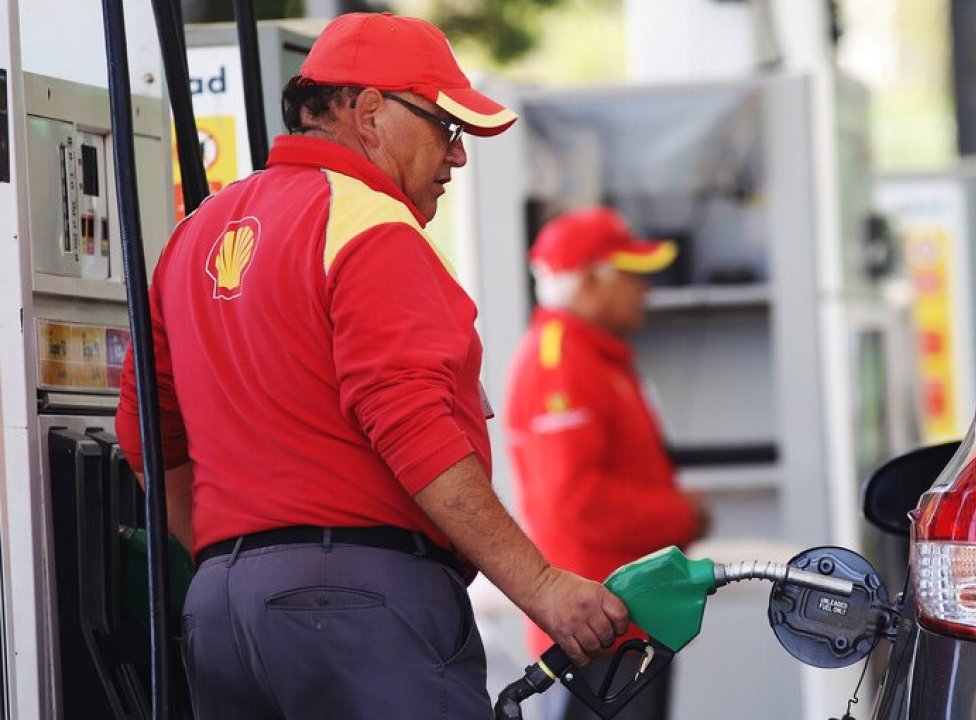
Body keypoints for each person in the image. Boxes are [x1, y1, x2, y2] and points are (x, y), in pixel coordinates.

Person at [115, 13, 628, 719]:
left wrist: (237, 557)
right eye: (445, 128)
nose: (457, 156)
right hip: (361, 609)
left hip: (222, 619)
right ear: (369, 113)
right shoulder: (370, 226)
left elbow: (145, 434)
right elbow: (412, 427)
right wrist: (542, 588)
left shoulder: (193, 235)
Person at [504, 207, 712, 720]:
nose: (645, 289)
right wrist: (681, 516)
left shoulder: (593, 355)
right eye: (631, 275)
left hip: (624, 624)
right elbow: (575, 503)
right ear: (590, 283)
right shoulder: (561, 363)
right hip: (596, 633)